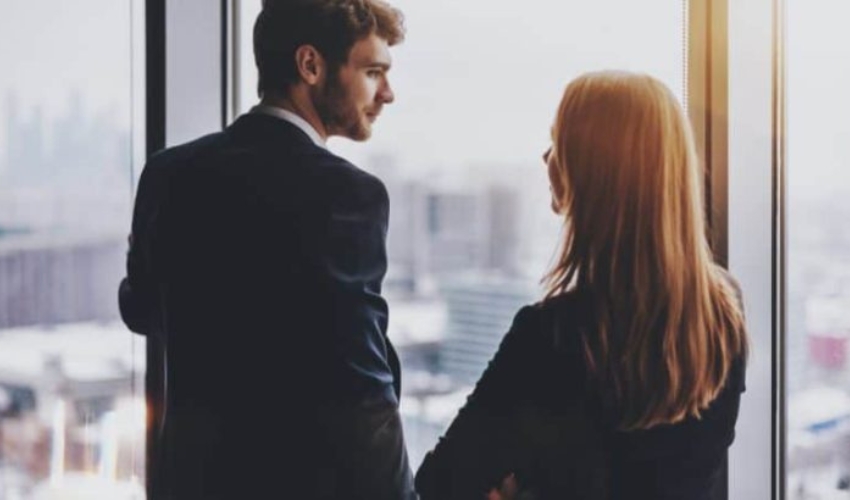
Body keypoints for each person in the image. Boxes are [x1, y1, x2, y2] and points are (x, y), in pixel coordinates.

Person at [118, 1, 415, 498]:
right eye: (372, 71)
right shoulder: (347, 196)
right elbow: (362, 395)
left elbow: (141, 308)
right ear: (310, 65)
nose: (387, 93)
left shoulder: (168, 174)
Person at [414, 71, 749, 500]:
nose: (546, 157)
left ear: (593, 173)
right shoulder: (723, 307)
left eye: (559, 144)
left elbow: (442, 484)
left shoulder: (551, 335)